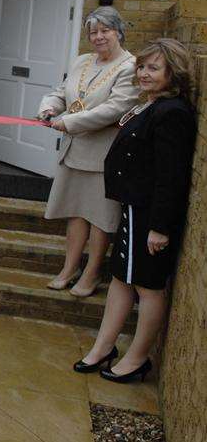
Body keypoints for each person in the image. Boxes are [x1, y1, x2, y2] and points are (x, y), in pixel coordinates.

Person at [76, 38, 194, 383]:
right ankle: (103, 347)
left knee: (147, 286)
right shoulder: (150, 105)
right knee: (121, 278)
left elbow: (171, 175)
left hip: (150, 215)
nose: (143, 73)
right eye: (141, 66)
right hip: (132, 208)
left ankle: (137, 358)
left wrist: (160, 227)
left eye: (153, 68)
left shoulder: (173, 113)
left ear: (174, 71)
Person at [38, 6, 138, 297]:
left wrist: (67, 122)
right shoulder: (82, 60)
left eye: (105, 30)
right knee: (75, 213)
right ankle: (70, 268)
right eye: (93, 32)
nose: (98, 37)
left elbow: (114, 109)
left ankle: (92, 273)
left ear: (118, 31)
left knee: (99, 218)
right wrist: (48, 108)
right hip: (74, 151)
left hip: (104, 155)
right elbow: (61, 91)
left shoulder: (130, 66)